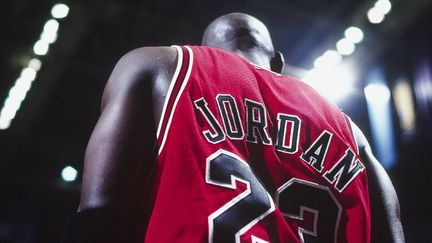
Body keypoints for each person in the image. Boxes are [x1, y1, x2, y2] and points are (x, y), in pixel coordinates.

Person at [63, 13, 404, 243]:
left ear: (207, 50)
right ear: (278, 63)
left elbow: (97, 216)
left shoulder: (160, 66)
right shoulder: (351, 133)